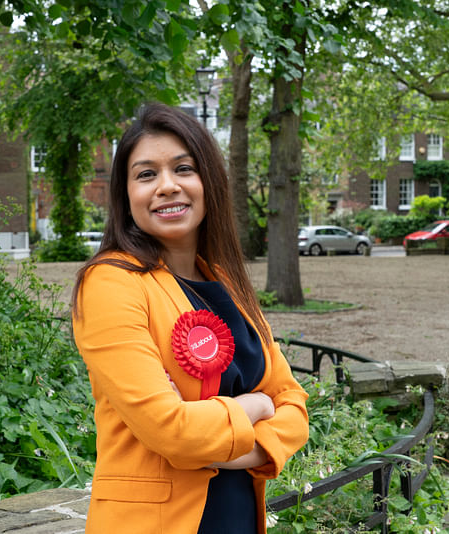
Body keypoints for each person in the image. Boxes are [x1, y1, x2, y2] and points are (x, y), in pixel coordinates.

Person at [72, 102, 309, 534]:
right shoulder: (111, 283)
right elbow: (173, 432)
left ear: (208, 182)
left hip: (237, 517)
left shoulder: (224, 281)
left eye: (184, 168)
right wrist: (255, 405)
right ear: (126, 196)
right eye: (146, 174)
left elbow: (293, 405)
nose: (167, 186)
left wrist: (220, 441)